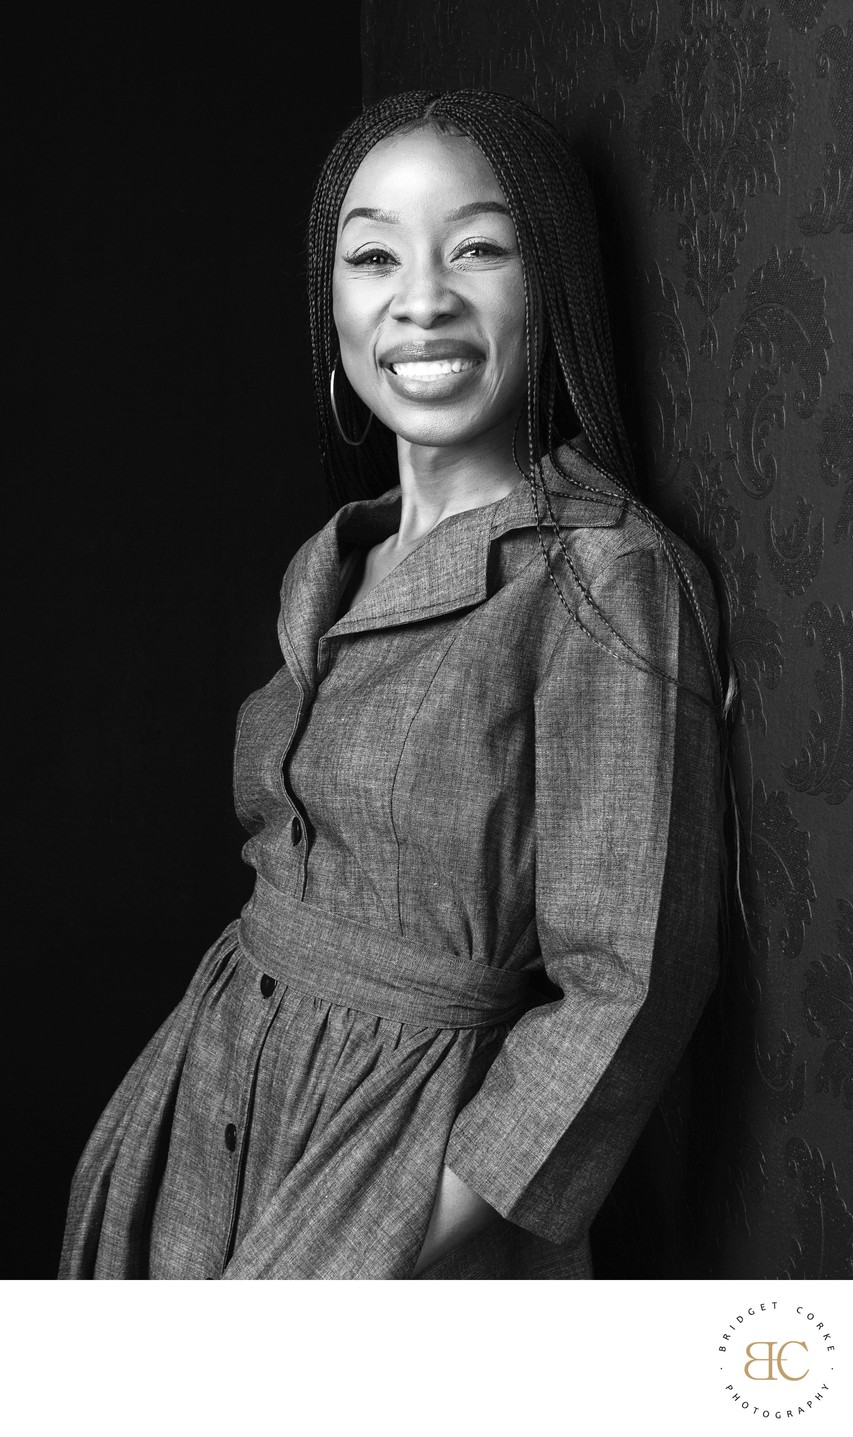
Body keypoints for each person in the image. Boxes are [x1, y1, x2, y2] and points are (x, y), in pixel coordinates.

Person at [59, 89, 731, 1281]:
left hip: (406, 1177)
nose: (421, 298)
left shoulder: (602, 574)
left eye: (478, 247)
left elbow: (627, 988)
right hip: (212, 1097)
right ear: (331, 302)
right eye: (374, 254)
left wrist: (387, 1241)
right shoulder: (333, 559)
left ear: (554, 283)